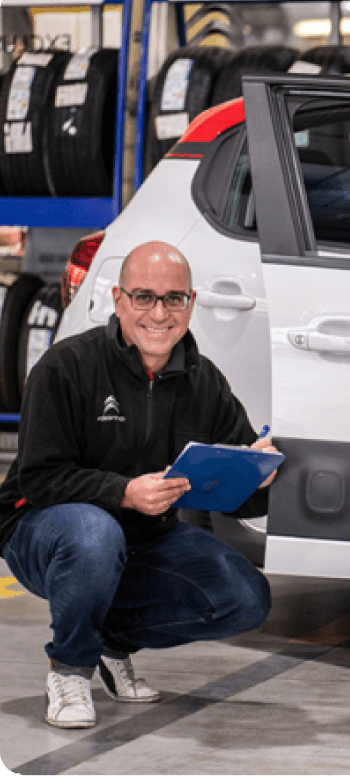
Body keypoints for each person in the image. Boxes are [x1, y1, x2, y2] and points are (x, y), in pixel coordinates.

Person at [0, 241, 276, 729]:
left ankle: (112, 641)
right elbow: (39, 480)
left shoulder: (204, 382)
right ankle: (70, 668)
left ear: (191, 303)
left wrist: (259, 474)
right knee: (95, 533)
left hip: (146, 535)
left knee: (245, 597)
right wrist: (124, 493)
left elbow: (240, 503)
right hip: (43, 529)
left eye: (174, 299)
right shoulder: (66, 367)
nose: (159, 313)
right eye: (144, 297)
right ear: (118, 299)